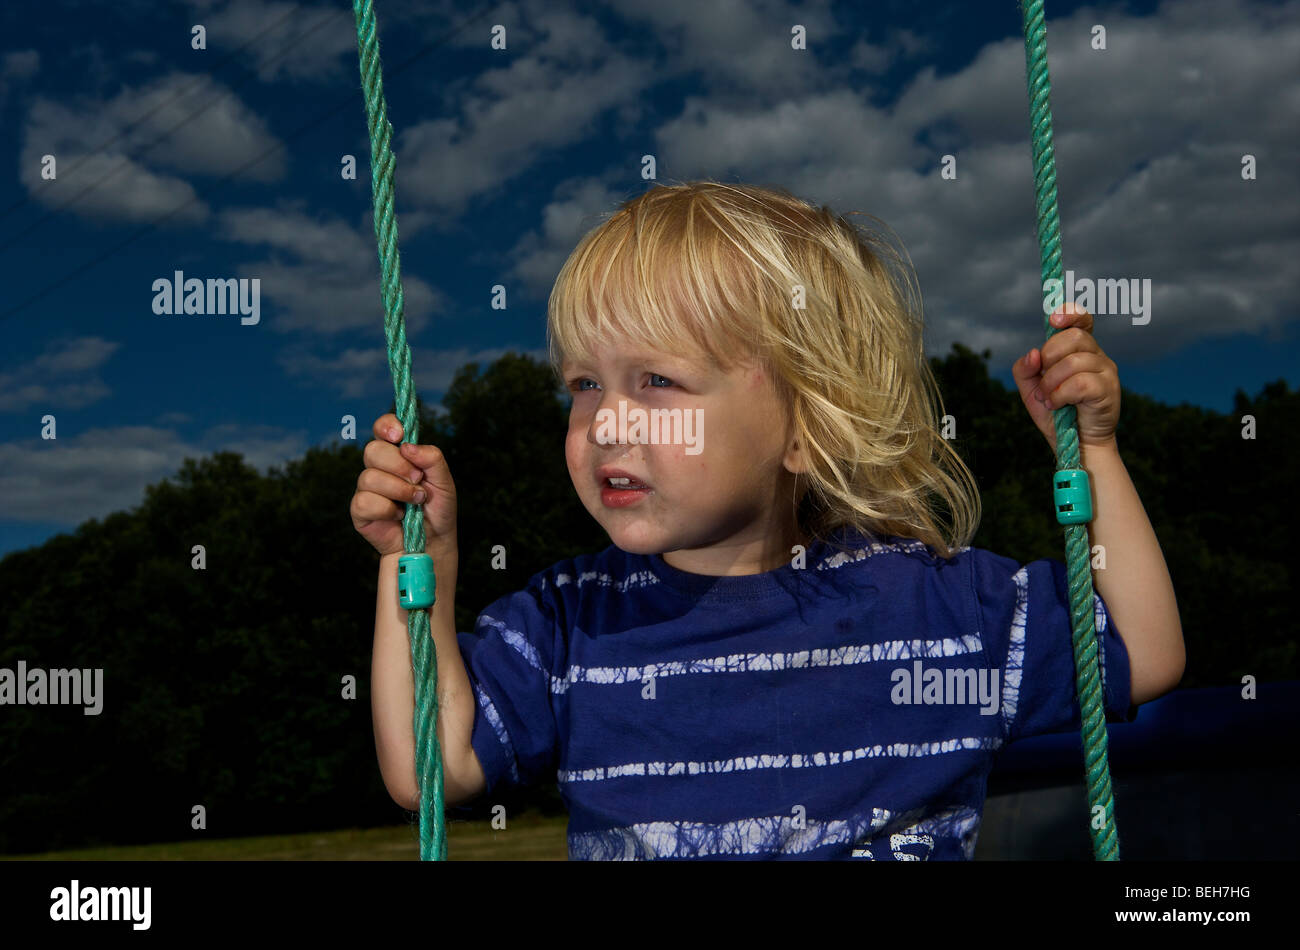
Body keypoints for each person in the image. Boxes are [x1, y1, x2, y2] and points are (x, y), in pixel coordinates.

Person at [351, 180, 1185, 860]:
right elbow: (436, 768)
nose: (607, 422)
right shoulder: (573, 625)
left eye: (657, 383)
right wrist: (417, 561)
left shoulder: (937, 612)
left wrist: (1095, 455)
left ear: (803, 428)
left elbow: (1142, 653)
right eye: (584, 385)